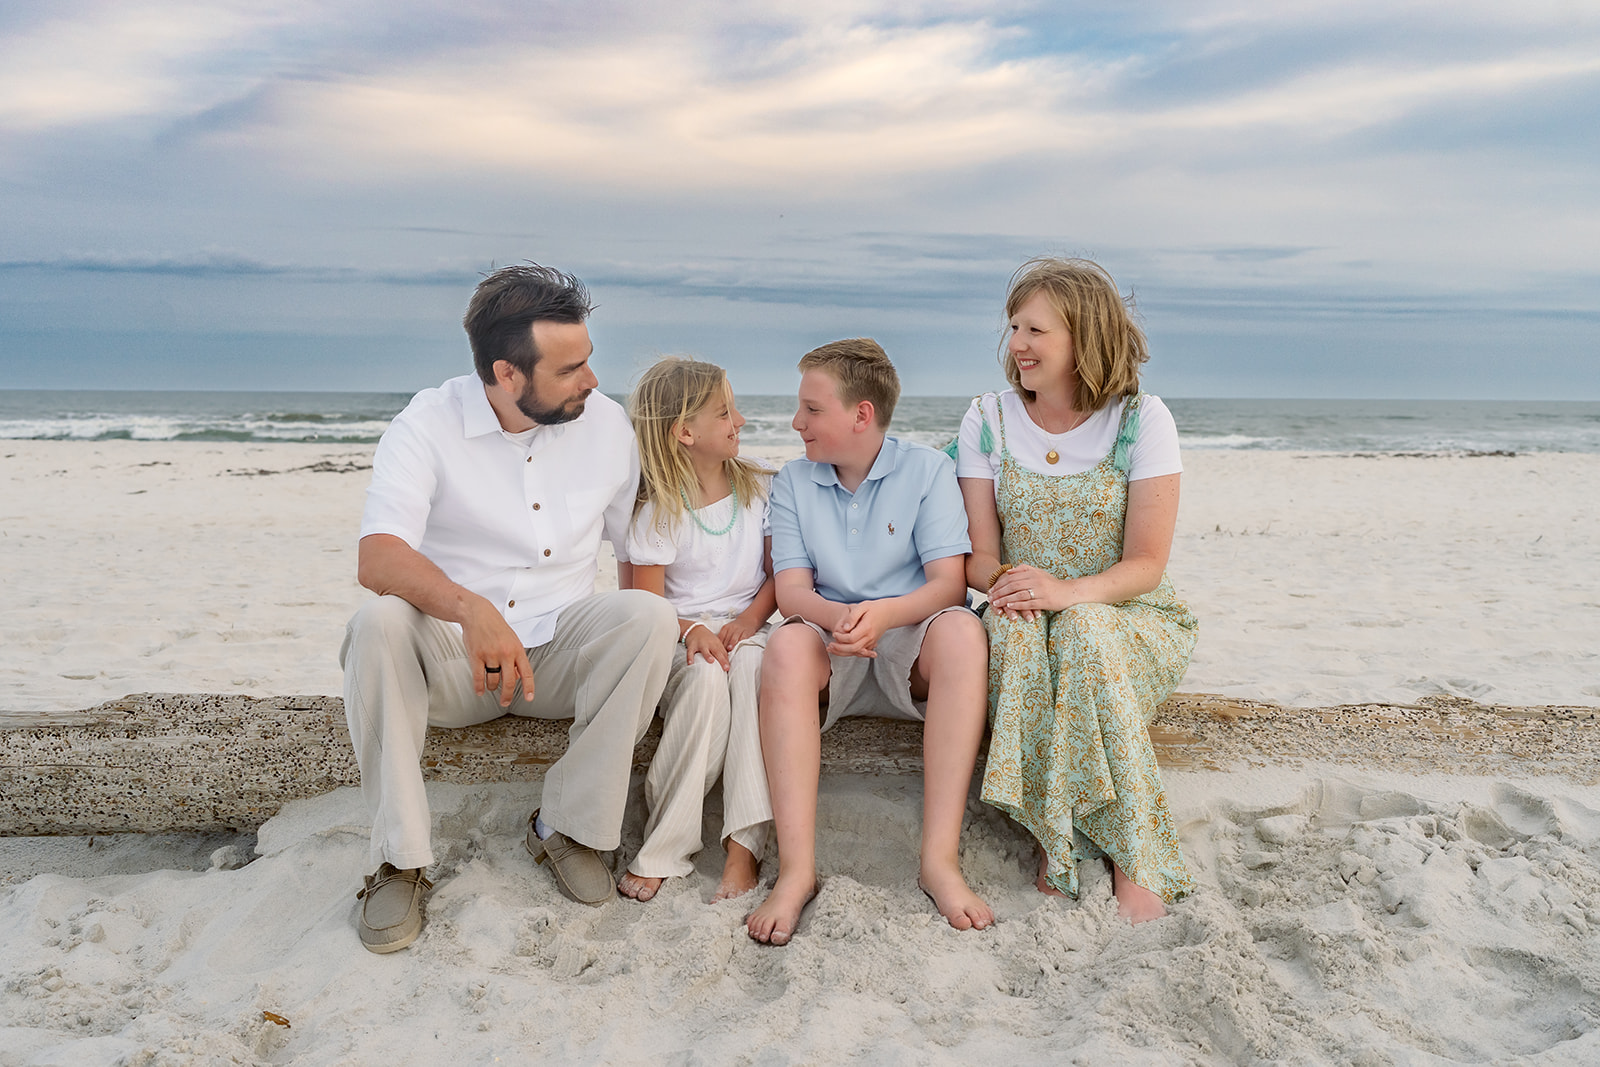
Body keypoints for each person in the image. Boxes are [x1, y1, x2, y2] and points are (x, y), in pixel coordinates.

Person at [339, 264, 678, 953]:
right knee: (374, 623)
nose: (590, 378)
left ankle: (567, 827)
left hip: (556, 655)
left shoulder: (608, 426)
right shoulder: (427, 423)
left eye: (589, 360)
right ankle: (398, 861)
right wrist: (469, 609)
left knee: (648, 618)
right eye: (570, 367)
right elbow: (377, 559)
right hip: (454, 662)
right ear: (508, 373)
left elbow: (641, 557)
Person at [956, 257, 1199, 924]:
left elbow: (1146, 564)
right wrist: (1019, 589)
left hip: (1129, 613)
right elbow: (979, 559)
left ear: (1083, 337)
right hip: (1025, 607)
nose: (1018, 345)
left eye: (1035, 329)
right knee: (1013, 631)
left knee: (1086, 631)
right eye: (1013, 327)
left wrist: (1068, 592)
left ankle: (1131, 854)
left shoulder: (1141, 420)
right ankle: (1052, 837)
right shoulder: (986, 420)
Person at [745, 338, 995, 945]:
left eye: (811, 409)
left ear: (861, 414)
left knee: (964, 631)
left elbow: (948, 583)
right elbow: (792, 592)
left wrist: (882, 616)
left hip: (912, 643)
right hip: (828, 643)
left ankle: (939, 862)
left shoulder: (928, 471)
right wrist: (840, 620)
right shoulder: (794, 483)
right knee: (782, 647)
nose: (796, 423)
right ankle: (797, 870)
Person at [617, 357, 778, 904]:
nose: (740, 419)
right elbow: (644, 603)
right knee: (707, 680)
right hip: (676, 637)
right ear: (684, 432)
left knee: (756, 666)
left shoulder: (759, 487)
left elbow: (779, 577)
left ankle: (744, 847)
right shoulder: (658, 510)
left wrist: (747, 623)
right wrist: (692, 632)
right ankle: (666, 844)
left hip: (748, 627)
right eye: (725, 411)